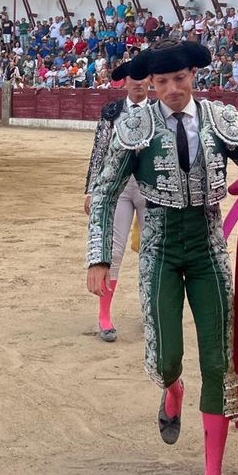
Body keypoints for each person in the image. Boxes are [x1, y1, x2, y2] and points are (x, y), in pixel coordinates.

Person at [86, 40, 238, 475]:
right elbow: (105, 192)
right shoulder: (136, 125)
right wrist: (99, 257)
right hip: (160, 248)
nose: (171, 89)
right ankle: (172, 390)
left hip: (209, 248)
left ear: (194, 74)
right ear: (151, 83)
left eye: (179, 79)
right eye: (161, 82)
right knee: (168, 357)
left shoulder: (220, 119)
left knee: (218, 362)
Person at [82, 61, 147, 343]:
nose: (138, 83)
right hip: (118, 189)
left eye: (143, 78)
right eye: (133, 78)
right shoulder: (112, 112)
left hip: (150, 188)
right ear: (125, 81)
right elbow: (99, 151)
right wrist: (91, 190)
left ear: (150, 81)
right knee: (113, 251)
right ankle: (104, 316)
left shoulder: (160, 113)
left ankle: (152, 311)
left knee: (154, 252)